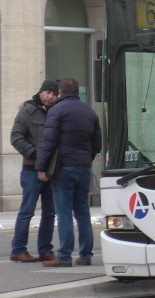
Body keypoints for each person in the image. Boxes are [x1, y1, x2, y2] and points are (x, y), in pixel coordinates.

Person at [36, 78, 102, 267]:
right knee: (82, 211)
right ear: (77, 92)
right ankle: (86, 255)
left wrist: (41, 167)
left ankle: (64, 256)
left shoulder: (57, 110)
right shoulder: (89, 112)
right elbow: (97, 144)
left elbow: (48, 142)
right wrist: (85, 159)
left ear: (61, 92)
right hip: (83, 167)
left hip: (63, 168)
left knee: (63, 212)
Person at [8, 80, 59, 262]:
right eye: (47, 93)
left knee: (49, 213)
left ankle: (45, 249)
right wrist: (35, 154)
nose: (50, 97)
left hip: (52, 171)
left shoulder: (57, 111)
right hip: (31, 170)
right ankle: (18, 250)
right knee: (27, 210)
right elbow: (15, 137)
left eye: (54, 94)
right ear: (40, 93)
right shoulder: (27, 111)